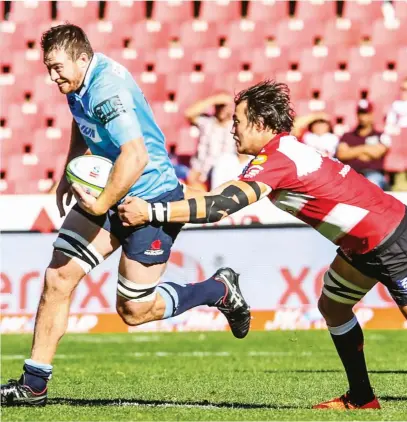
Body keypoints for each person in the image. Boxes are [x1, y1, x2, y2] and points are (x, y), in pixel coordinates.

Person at [118, 80, 407, 410]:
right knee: (333, 307)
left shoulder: (278, 158)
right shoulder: (280, 153)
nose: (232, 129)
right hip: (364, 242)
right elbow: (212, 198)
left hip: (389, 237)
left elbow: (221, 206)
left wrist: (151, 210)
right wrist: (156, 193)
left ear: (260, 124)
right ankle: (362, 399)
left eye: (237, 120)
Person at [1, 24, 250, 407]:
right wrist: (72, 166)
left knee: (133, 310)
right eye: (47, 68)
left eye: (56, 68)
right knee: (59, 276)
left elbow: (136, 157)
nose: (52, 77)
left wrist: (100, 205)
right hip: (112, 192)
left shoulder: (106, 89)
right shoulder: (80, 82)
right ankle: (34, 385)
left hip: (151, 201)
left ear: (82, 58)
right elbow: (80, 120)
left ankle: (219, 289)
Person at [185, 93, 236, 189]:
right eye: (219, 106)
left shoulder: (235, 125)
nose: (222, 109)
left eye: (224, 106)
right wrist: (213, 99)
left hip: (225, 174)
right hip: (201, 173)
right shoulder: (207, 122)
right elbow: (188, 113)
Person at [336, 100, 391, 190]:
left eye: (366, 114)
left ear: (371, 115)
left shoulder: (381, 135)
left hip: (373, 174)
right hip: (351, 173)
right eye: (360, 114)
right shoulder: (347, 136)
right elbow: (342, 155)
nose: (363, 117)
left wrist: (352, 151)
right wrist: (365, 149)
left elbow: (377, 153)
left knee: (372, 183)